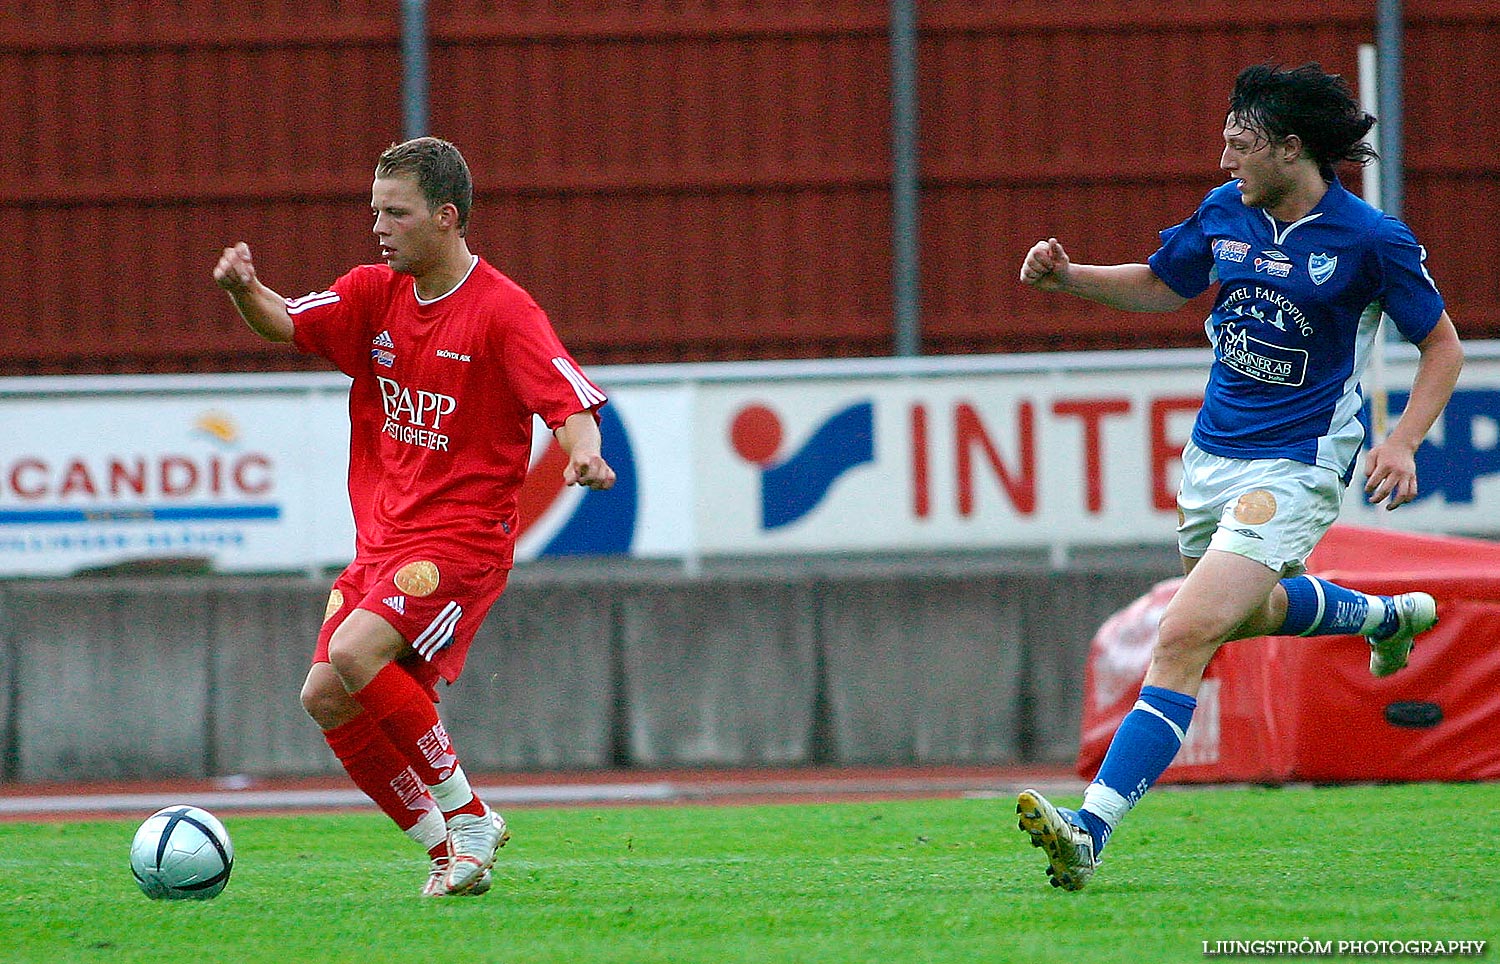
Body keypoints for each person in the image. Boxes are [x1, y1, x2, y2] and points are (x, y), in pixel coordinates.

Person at [1014, 63, 1464, 891]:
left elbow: (1442, 345)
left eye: (1240, 143)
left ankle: (1089, 831)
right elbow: (1161, 286)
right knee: (1243, 613)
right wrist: (1069, 278)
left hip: (1298, 462)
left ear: (1291, 150)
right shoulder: (1229, 212)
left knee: (1182, 636)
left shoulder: (1370, 240)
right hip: (1213, 455)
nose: (1224, 158)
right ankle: (1381, 615)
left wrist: (1401, 442)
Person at [213, 136, 617, 897]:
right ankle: (441, 849)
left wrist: (583, 454)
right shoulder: (373, 293)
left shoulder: (502, 310)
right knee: (324, 694)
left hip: (462, 538)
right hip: (384, 536)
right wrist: (243, 289)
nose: (378, 227)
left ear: (446, 217)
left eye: (394, 213)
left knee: (359, 653)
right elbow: (286, 321)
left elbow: (568, 398)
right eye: (374, 212)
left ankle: (470, 819)